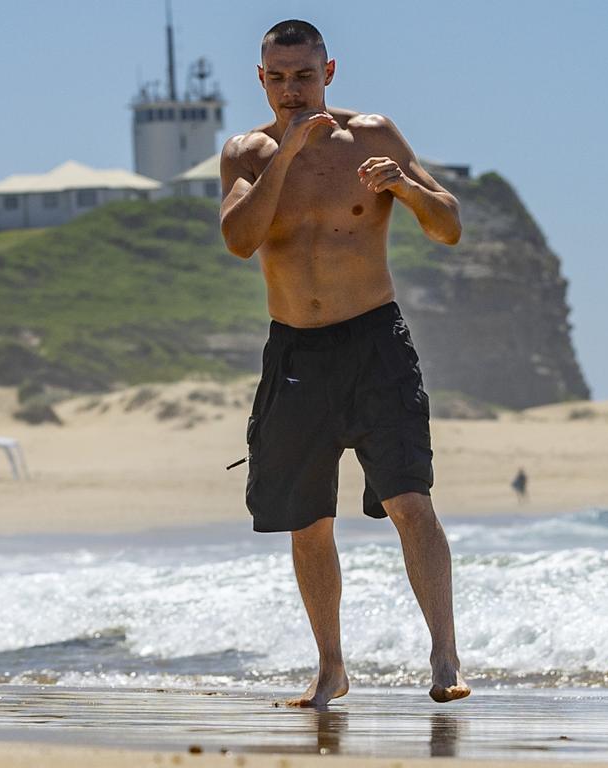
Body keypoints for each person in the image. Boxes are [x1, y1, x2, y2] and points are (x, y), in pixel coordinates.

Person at [220, 19, 468, 708]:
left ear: (329, 73)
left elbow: (448, 226)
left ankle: (445, 658)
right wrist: (287, 154)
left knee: (409, 500)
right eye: (278, 78)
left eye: (304, 76)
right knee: (308, 521)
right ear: (260, 78)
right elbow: (240, 240)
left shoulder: (375, 136)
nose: (291, 91)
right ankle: (331, 667)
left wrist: (408, 189)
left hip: (375, 344)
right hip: (296, 350)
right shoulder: (246, 153)